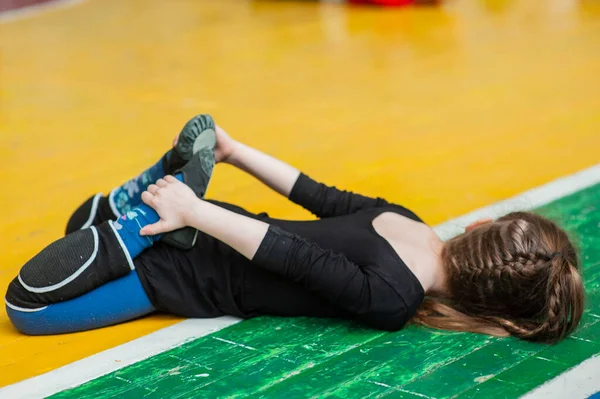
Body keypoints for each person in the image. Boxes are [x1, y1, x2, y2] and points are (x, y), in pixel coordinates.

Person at [4, 115, 584, 343]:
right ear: (486, 303)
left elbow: (314, 195)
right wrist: (193, 213)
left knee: (81, 224)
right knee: (27, 310)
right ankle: (142, 225)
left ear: (481, 227)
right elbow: (290, 259)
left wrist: (235, 152)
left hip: (215, 228)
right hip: (188, 270)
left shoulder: (408, 222)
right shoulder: (395, 299)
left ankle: (148, 201)